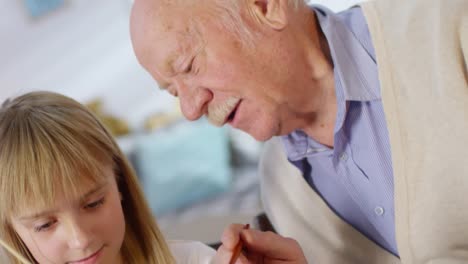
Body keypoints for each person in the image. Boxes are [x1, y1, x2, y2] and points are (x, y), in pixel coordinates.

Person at [129, 0, 468, 263]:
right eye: (173, 93)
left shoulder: (448, 26)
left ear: (264, 7)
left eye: (189, 66)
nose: (190, 110)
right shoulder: (278, 189)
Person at [0, 91, 216, 263]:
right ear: (11, 232)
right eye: (45, 225)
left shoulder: (194, 259)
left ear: (119, 181)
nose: (80, 239)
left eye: (94, 203)